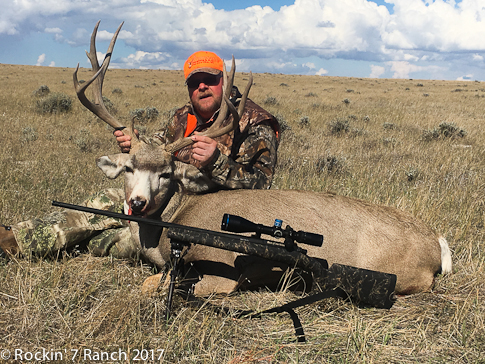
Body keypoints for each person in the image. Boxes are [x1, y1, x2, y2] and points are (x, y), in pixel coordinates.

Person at [0, 51, 280, 258]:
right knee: (101, 201)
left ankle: (71, 245)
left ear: (224, 81)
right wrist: (132, 145)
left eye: (209, 80)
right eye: (195, 83)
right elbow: (154, 148)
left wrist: (217, 164)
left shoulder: (254, 122)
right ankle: (12, 238)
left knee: (126, 239)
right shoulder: (183, 116)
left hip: (205, 215)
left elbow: (262, 187)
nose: (202, 87)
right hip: (166, 194)